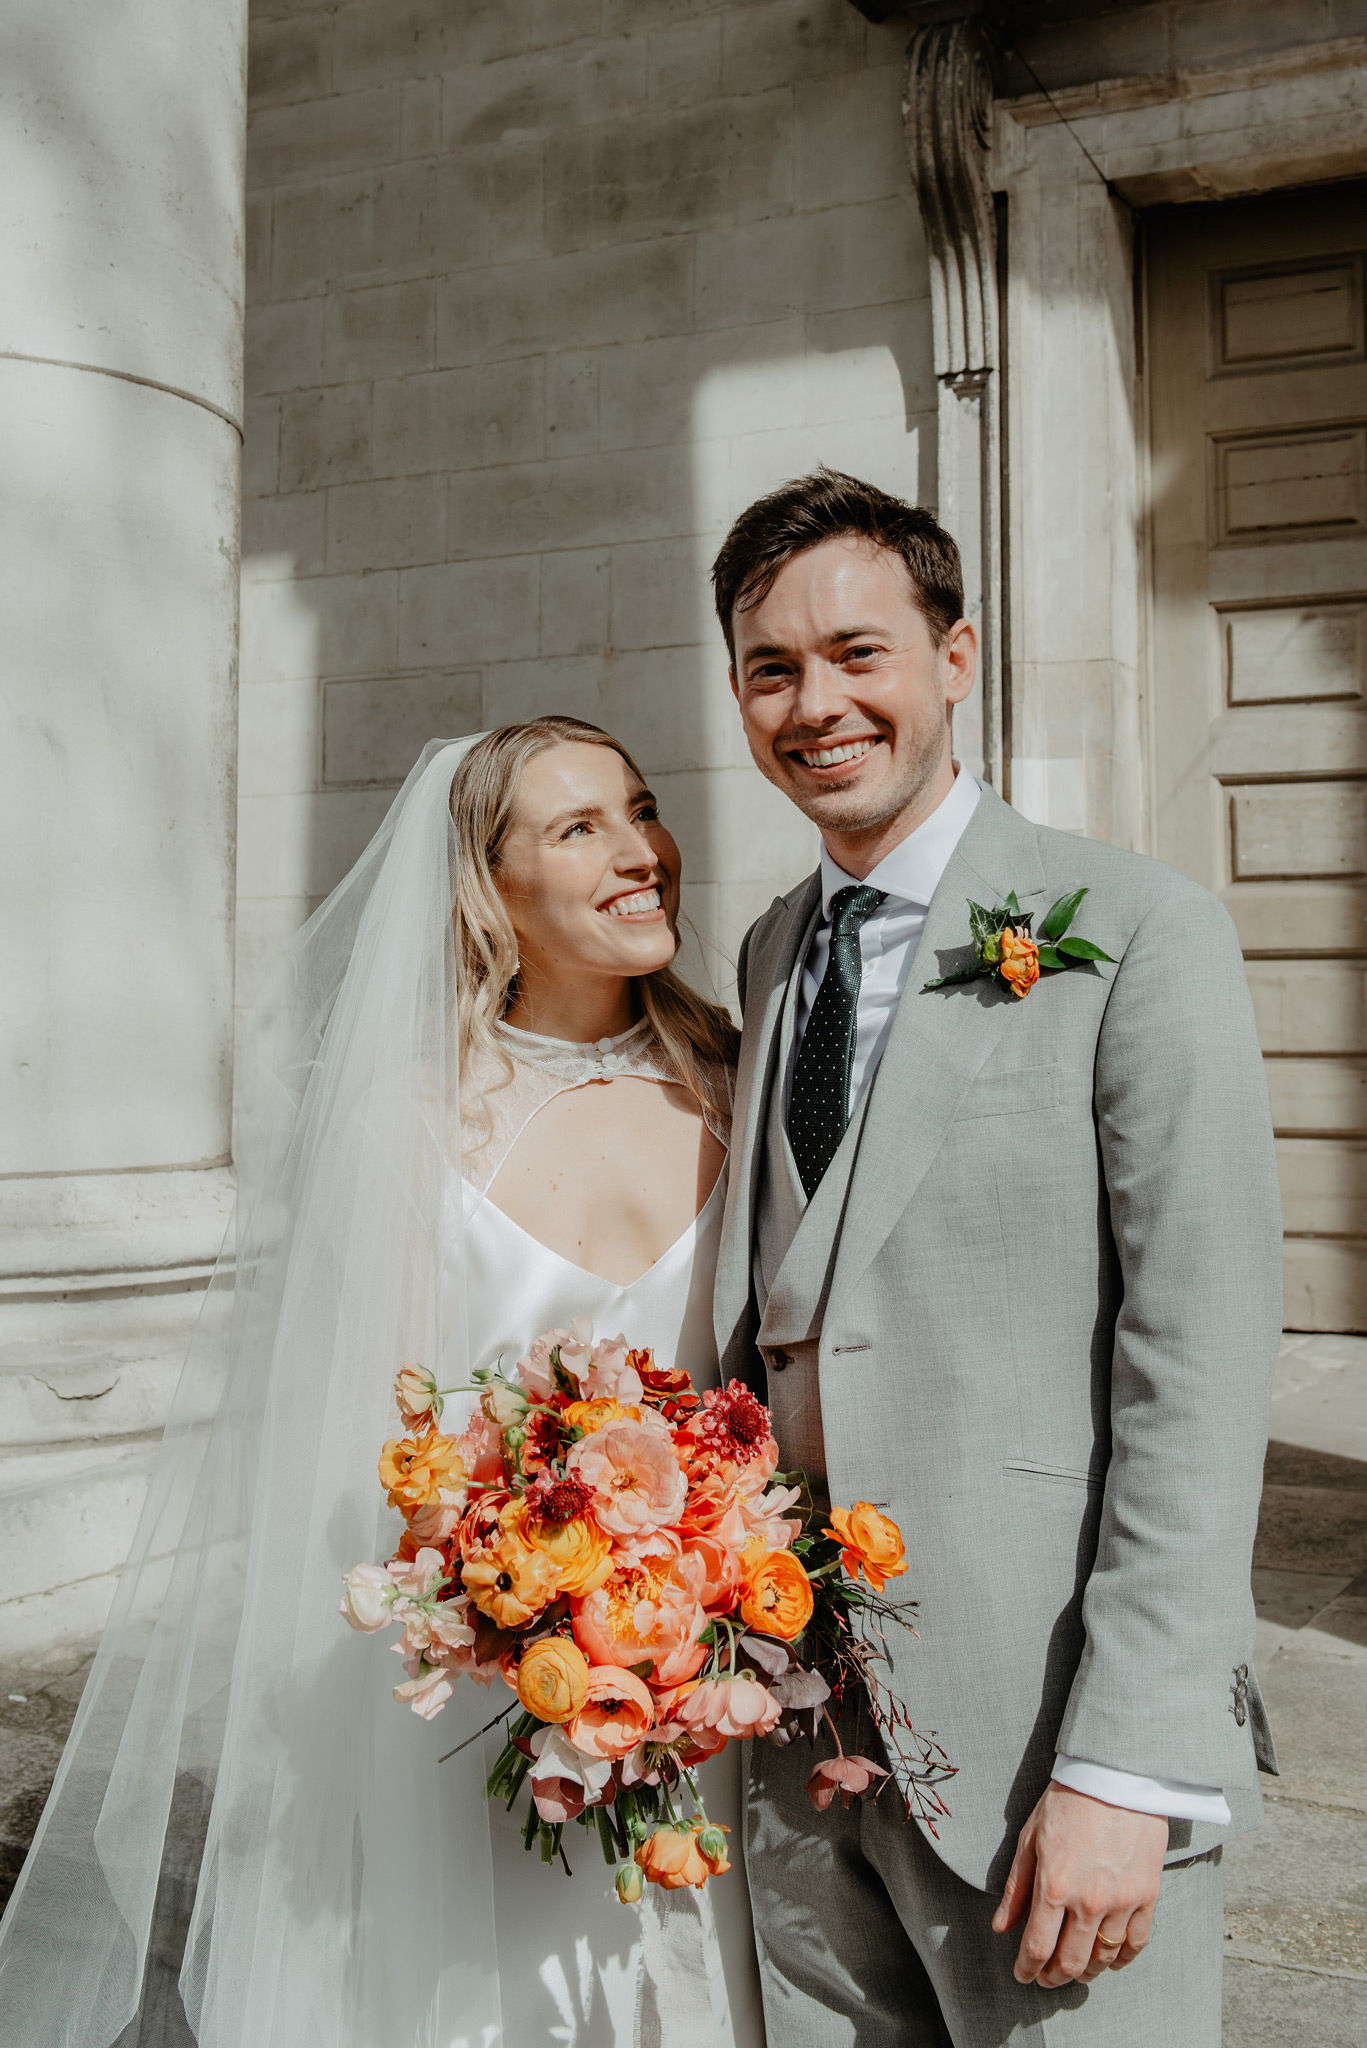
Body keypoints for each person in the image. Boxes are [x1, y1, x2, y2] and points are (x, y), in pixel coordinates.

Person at [0, 717, 765, 2048]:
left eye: (642, 809)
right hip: (486, 1693)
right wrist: (537, 1627)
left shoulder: (732, 1078)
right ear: (489, 882)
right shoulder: (410, 1117)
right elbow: (377, 1449)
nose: (643, 852)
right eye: (579, 828)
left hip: (720, 1687)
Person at [711, 469, 1282, 2046]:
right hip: (791, 1745)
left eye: (859, 653)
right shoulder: (769, 951)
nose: (815, 703)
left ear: (955, 659)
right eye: (771, 669)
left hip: (1046, 1745)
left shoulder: (1138, 927)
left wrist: (1127, 1764)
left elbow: (1205, 1359)